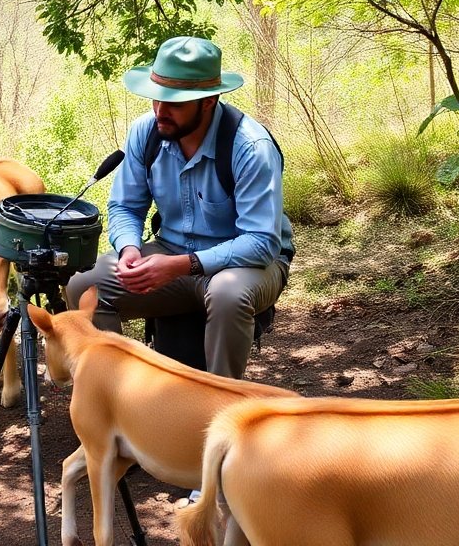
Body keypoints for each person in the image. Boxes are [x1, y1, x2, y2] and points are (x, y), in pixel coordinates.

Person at [65, 36, 294, 381]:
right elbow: (125, 205)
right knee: (84, 284)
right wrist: (128, 247)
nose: (160, 111)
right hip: (171, 250)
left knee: (228, 293)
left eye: (174, 104)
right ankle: (118, 398)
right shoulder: (147, 132)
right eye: (157, 98)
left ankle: (222, 406)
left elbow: (262, 242)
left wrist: (180, 266)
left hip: (246, 263)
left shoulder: (251, 147)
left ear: (208, 101)